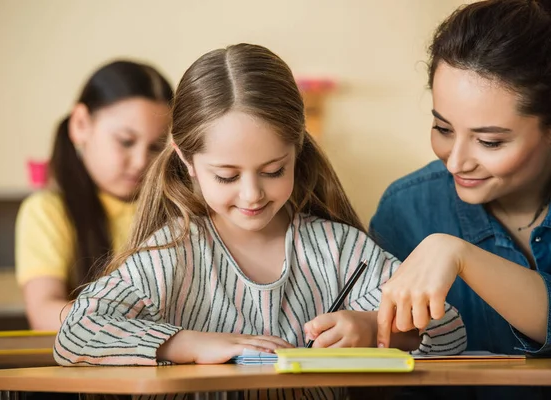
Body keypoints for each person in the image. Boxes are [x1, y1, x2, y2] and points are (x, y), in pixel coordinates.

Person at [53, 43, 466, 399]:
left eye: (272, 171)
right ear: (186, 159)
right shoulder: (173, 253)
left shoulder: (340, 250)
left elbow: (449, 329)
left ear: (297, 148)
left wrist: (373, 325)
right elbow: (75, 332)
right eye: (227, 176)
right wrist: (188, 344)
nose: (252, 195)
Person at [370, 0, 551, 358]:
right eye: (443, 128)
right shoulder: (405, 210)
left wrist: (457, 253)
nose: (455, 163)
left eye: (489, 141)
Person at [15, 60, 173, 331]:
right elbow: (43, 313)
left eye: (156, 146)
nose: (139, 162)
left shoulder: (176, 209)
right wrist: (139, 329)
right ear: (81, 124)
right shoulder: (47, 211)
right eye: (125, 141)